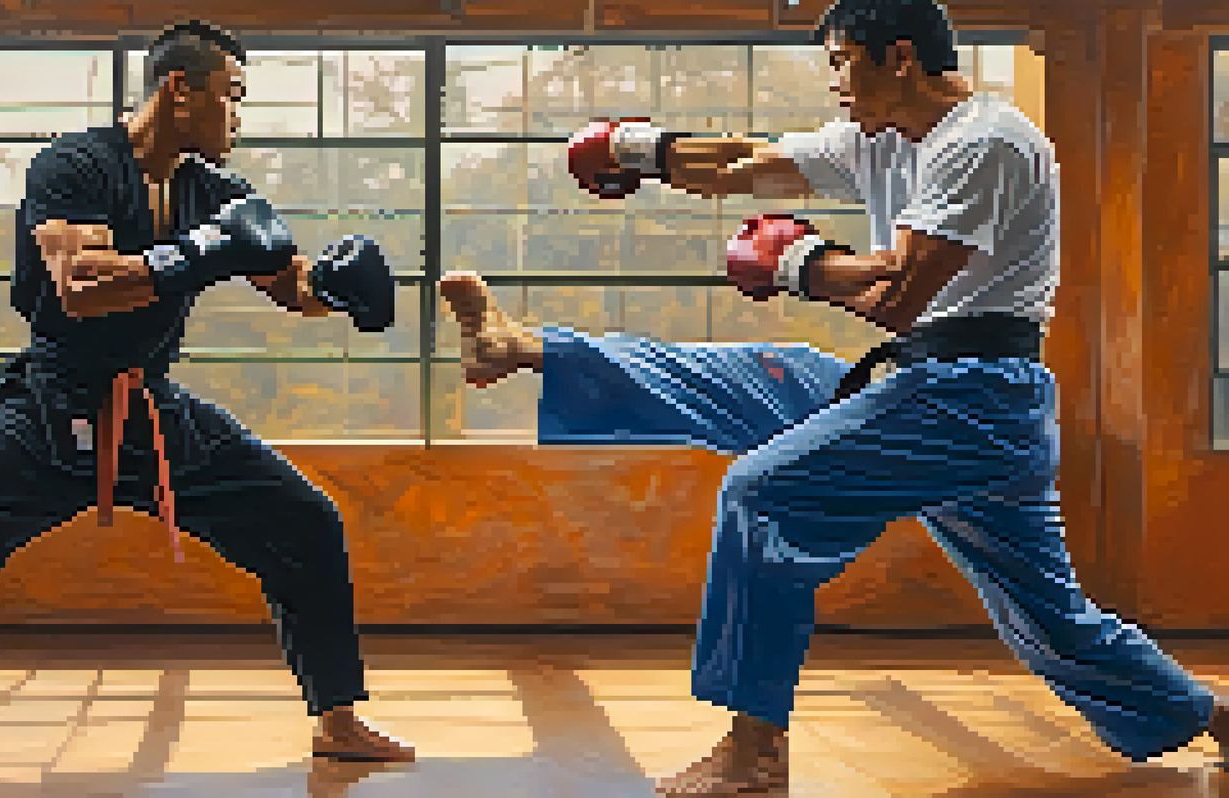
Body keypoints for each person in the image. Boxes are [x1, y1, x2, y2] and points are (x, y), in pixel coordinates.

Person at [441, 0, 1229, 793]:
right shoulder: (883, 136)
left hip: (975, 402)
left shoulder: (984, 143)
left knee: (765, 492)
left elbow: (902, 295)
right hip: (922, 386)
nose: (833, 84)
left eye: (841, 62)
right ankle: (529, 347)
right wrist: (640, 150)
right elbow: (748, 164)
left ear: (899, 58)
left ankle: (754, 755)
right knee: (755, 377)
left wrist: (799, 265)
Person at [0, 20, 414, 765]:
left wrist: (333, 286)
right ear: (179, 89)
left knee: (305, 521)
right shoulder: (76, 165)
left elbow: (281, 279)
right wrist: (199, 253)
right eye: (232, 97)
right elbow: (80, 289)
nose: (239, 117)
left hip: (150, 408)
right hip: (49, 404)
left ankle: (337, 719)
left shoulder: (217, 192)